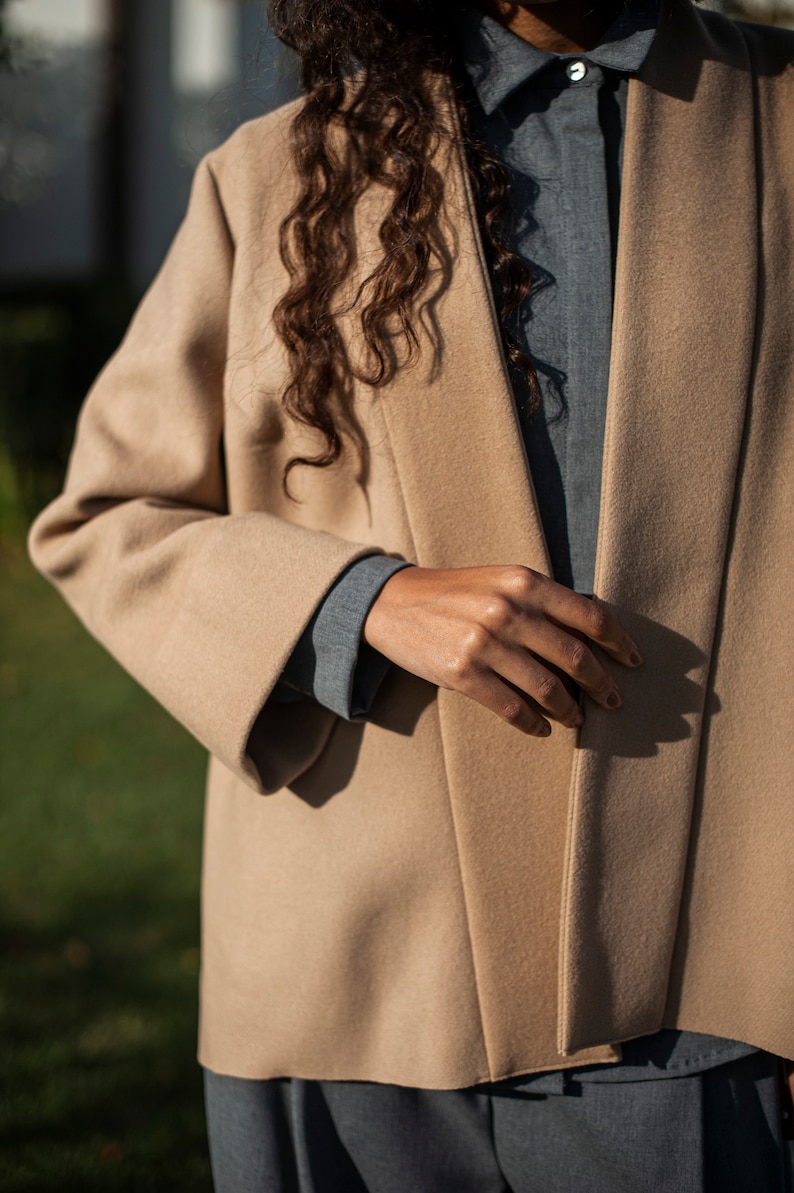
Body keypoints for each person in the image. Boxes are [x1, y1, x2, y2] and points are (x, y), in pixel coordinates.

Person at [29, 0, 794, 1188]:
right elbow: (107, 519)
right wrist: (356, 601)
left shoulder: (776, 118)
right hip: (347, 993)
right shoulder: (275, 175)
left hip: (707, 997)